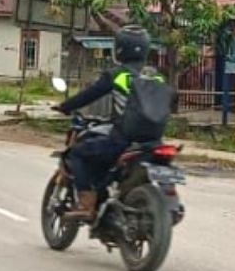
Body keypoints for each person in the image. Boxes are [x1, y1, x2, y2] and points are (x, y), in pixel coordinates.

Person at [54, 25, 160, 221]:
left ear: (119, 49)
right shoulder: (157, 77)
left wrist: (65, 106)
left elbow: (89, 95)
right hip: (154, 143)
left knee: (77, 152)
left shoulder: (117, 75)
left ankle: (87, 206)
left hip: (122, 141)